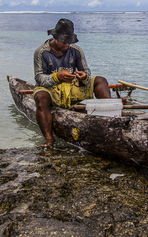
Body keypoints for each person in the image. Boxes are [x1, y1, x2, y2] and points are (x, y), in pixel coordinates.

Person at [33, 18, 111, 148]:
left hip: (72, 89)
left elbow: (86, 72)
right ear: (55, 37)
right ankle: (49, 140)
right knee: (40, 98)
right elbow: (39, 78)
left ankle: (110, 119)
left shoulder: (76, 50)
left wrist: (84, 77)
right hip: (52, 91)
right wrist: (57, 77)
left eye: (69, 41)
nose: (67, 45)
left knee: (100, 81)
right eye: (64, 41)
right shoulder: (41, 52)